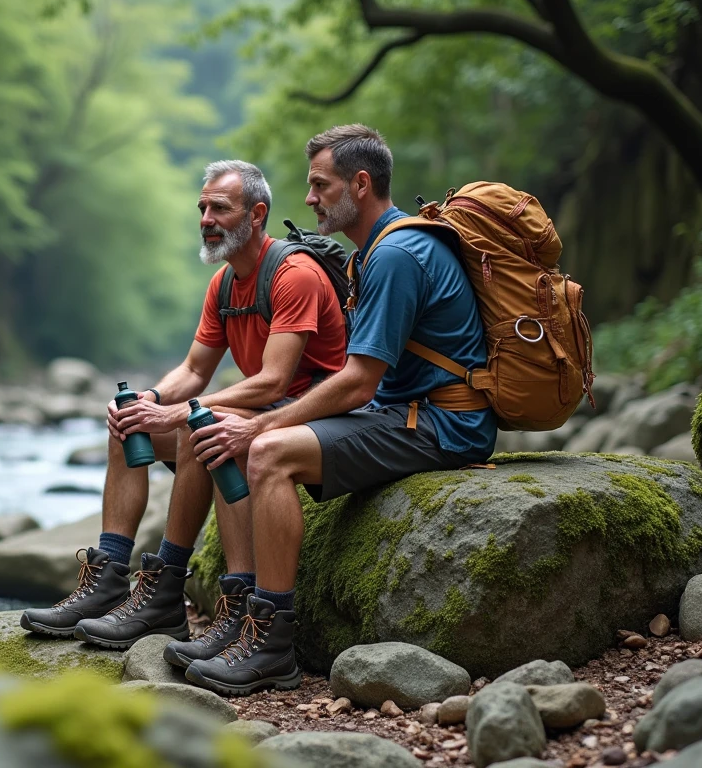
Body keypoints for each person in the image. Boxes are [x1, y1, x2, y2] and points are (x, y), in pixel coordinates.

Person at [181, 124, 497, 696]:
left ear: (360, 183)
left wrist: (264, 422)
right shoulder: (378, 249)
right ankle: (238, 613)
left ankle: (272, 644)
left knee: (268, 449)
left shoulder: (398, 254)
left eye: (320, 185)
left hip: (444, 424)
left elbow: (357, 382)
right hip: (405, 412)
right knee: (228, 432)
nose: (308, 198)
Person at [19, 160, 347, 658]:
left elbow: (275, 380)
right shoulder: (223, 285)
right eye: (202, 208)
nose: (206, 218)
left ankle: (172, 590)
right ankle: (108, 579)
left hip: (309, 417)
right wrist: (149, 400)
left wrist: (182, 411)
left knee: (201, 427)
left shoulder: (294, 274)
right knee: (128, 425)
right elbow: (194, 370)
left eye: (220, 208)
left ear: (256, 215)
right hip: (262, 410)